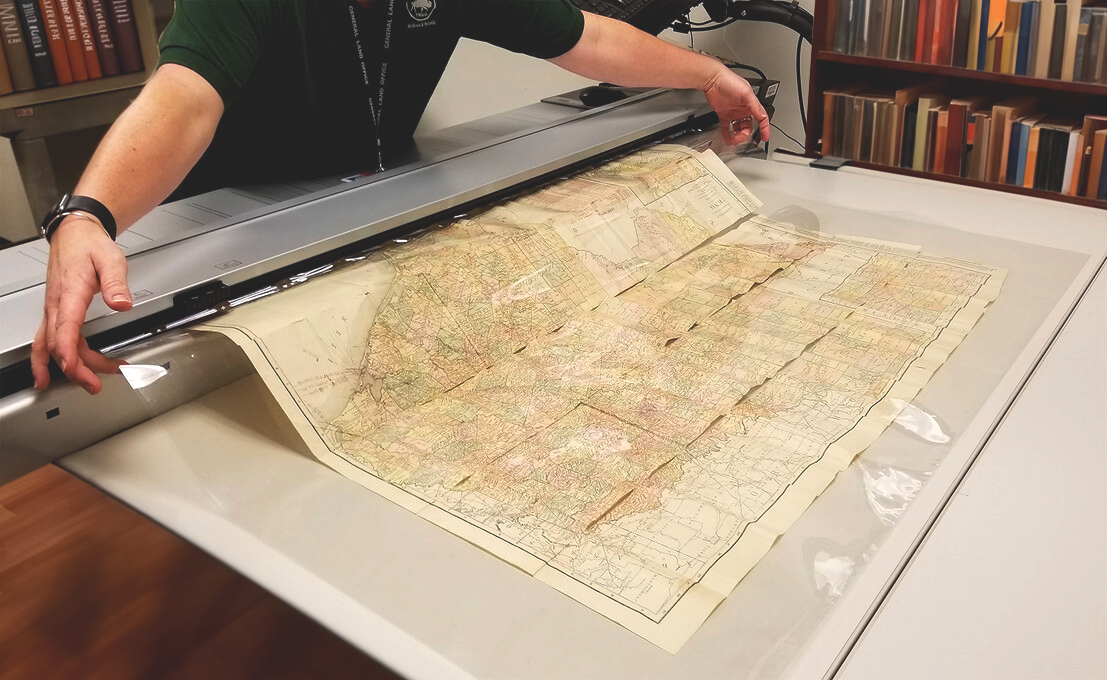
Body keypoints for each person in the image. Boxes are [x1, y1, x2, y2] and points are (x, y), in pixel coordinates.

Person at [32, 0, 771, 395]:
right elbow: (185, 98)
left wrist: (703, 75)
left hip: (367, 206)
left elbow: (588, 40)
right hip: (239, 228)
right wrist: (88, 215)